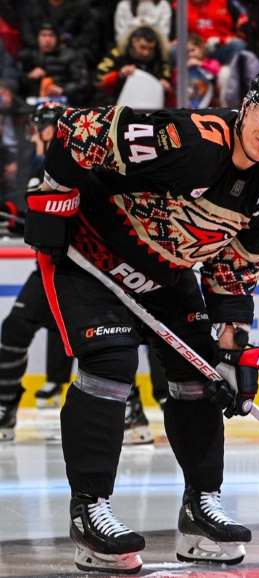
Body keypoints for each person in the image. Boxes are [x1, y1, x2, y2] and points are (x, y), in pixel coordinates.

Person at [23, 62, 259, 573]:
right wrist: (55, 198)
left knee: (201, 376)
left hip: (165, 271)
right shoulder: (186, 139)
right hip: (90, 253)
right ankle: (90, 512)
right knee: (109, 365)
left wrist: (232, 352)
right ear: (248, 104)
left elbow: (233, 276)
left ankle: (201, 507)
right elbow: (77, 130)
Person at [0, 102, 154, 446]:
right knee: (14, 329)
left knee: (108, 340)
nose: (37, 134)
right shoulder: (40, 167)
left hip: (90, 268)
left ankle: (131, 411)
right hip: (51, 268)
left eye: (41, 127)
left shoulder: (86, 163)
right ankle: (4, 408)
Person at [95, 25, 172, 106]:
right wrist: (119, 75)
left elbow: (169, 86)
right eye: (143, 47)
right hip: (115, 104)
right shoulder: (117, 54)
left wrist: (165, 86)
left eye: (151, 49)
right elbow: (98, 80)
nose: (146, 53)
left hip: (150, 106)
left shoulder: (160, 59)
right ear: (133, 41)